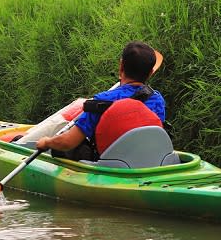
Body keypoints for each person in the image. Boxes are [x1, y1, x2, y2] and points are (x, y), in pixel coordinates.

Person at [35, 41, 166, 161]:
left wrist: (47, 142)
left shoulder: (102, 101)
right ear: (150, 74)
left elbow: (68, 142)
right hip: (147, 161)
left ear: (121, 66)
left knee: (66, 149)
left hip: (109, 164)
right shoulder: (157, 100)